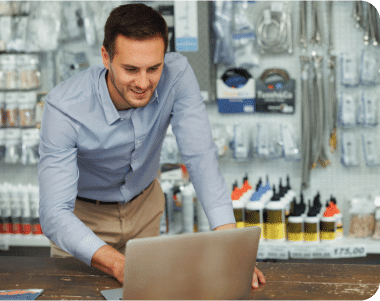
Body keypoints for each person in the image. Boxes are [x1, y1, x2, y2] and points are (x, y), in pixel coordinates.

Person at [38, 3, 265, 288]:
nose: (143, 82)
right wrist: (119, 264)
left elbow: (201, 159)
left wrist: (232, 251)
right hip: (83, 222)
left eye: (153, 68)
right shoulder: (63, 108)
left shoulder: (177, 74)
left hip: (145, 210)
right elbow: (54, 213)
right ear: (106, 57)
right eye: (131, 69)